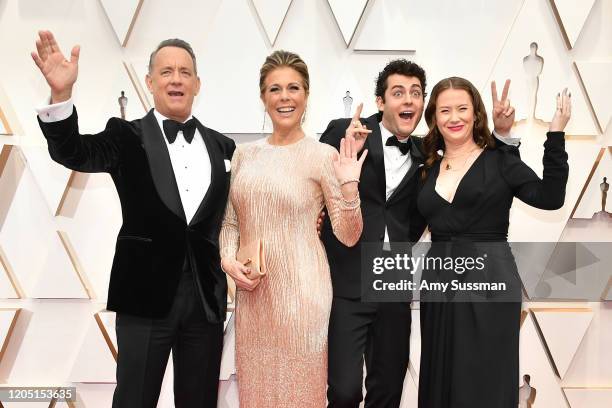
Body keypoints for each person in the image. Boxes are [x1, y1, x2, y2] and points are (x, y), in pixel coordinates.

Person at [32, 31, 234, 407]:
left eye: (185, 72)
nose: (176, 79)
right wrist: (61, 95)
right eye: (167, 71)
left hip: (205, 304)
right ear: (150, 82)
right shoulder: (126, 136)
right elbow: (73, 152)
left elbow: (239, 214)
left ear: (197, 84)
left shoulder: (223, 147)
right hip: (144, 297)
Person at [319, 60, 516, 408]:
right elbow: (317, 189)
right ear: (381, 102)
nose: (408, 100)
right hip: (348, 279)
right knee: (344, 389)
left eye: (415, 93)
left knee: (388, 387)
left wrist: (502, 135)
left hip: (393, 280)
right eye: (398, 93)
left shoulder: (428, 153)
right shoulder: (344, 131)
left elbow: (473, 171)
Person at [219, 50, 366, 407]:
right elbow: (230, 221)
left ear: (306, 95)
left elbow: (349, 234)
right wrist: (227, 260)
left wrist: (348, 187)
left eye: (293, 88)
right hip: (253, 296)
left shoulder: (322, 155)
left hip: (304, 296)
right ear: (263, 98)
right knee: (257, 393)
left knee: (301, 393)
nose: (284, 97)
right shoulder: (244, 155)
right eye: (275, 89)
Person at [417, 77, 570, 407]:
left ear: (475, 114)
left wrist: (555, 136)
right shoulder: (426, 168)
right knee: (440, 373)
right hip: (439, 279)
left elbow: (551, 197)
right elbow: (401, 221)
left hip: (490, 279)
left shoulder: (500, 161)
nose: (454, 117)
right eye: (445, 110)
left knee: (484, 375)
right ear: (434, 117)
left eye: (462, 108)